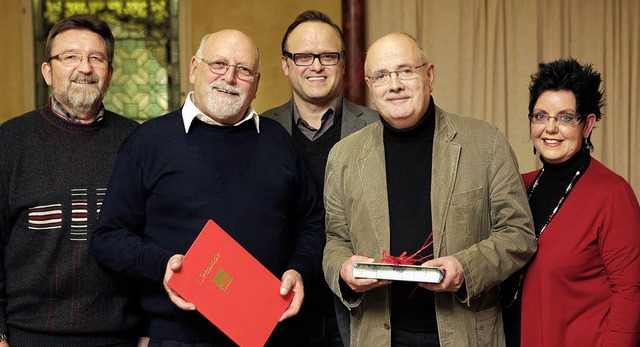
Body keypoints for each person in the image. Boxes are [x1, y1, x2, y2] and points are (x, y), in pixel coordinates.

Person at [90, 29, 325, 346]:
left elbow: (312, 220)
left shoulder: (278, 141)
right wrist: (163, 265)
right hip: (177, 336)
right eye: (218, 64)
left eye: (244, 70)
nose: (229, 77)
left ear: (256, 84)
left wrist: (300, 270)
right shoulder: (148, 142)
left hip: (270, 334)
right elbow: (108, 238)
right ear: (193, 69)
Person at [322, 32, 537, 347]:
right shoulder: (343, 156)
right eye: (381, 75)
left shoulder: (486, 144)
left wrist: (465, 268)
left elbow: (519, 234)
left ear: (430, 76)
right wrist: (342, 269)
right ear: (370, 87)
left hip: (466, 333)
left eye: (406, 70)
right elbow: (335, 240)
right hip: (378, 334)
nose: (394, 84)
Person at [0, 14, 139, 346]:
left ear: (110, 73)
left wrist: (148, 331)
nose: (85, 68)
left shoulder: (138, 142)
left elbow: (150, 241)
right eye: (71, 57)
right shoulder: (9, 142)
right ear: (48, 71)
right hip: (29, 336)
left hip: (121, 337)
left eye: (96, 58)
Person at [261, 10, 378, 347]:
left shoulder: (377, 127)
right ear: (285, 64)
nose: (316, 66)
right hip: (281, 305)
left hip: (358, 308)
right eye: (303, 57)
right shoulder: (260, 130)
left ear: (343, 63)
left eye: (328, 56)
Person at [515, 58, 640, 346]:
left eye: (566, 117)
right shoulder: (517, 186)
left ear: (588, 124)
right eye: (540, 116)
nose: (550, 128)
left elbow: (630, 293)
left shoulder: (613, 194)